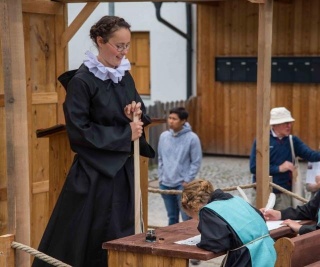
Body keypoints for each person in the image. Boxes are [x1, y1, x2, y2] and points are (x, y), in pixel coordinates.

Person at [32, 16, 155, 267]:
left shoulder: (125, 76)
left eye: (127, 46)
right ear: (100, 41)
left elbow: (139, 111)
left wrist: (134, 112)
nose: (123, 52)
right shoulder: (82, 81)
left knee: (124, 231)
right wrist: (125, 134)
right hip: (93, 175)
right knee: (87, 237)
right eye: (118, 46)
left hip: (123, 172)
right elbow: (79, 131)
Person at [181, 179, 276, 267]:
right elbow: (260, 218)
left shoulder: (208, 211)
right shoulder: (236, 199)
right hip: (269, 251)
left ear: (193, 207)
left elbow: (216, 243)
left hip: (247, 258)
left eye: (191, 215)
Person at [250, 107, 320, 210]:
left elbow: (311, 155)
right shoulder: (261, 140)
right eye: (285, 123)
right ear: (275, 125)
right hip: (262, 193)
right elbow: (254, 168)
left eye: (290, 123)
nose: (289, 126)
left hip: (284, 194)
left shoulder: (293, 141)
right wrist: (279, 168)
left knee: (281, 223)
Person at [158, 107, 202, 226]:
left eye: (174, 119)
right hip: (165, 184)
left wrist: (187, 180)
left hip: (182, 185)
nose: (171, 121)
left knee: (186, 218)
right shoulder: (164, 136)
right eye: (170, 118)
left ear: (183, 121)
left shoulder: (192, 138)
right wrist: (161, 177)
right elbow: (160, 158)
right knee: (172, 218)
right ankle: (170, 243)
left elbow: (196, 161)